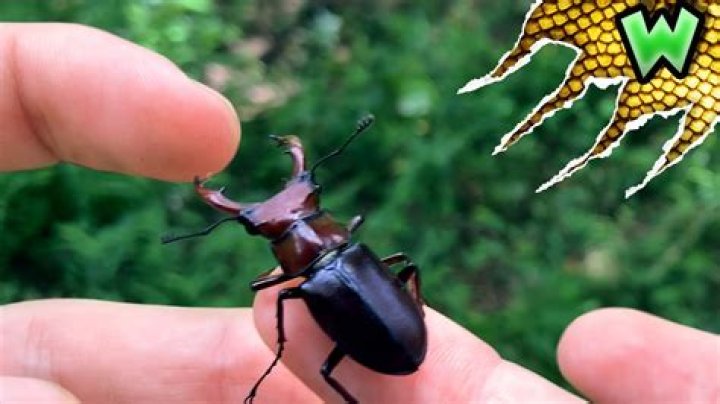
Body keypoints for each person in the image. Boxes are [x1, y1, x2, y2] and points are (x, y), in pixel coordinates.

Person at [0, 23, 717, 403]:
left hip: (389, 330)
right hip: (386, 319)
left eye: (296, 206)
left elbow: (288, 289)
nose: (288, 210)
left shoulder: (297, 284)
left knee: (333, 333)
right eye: (274, 218)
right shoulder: (336, 262)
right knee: (387, 282)